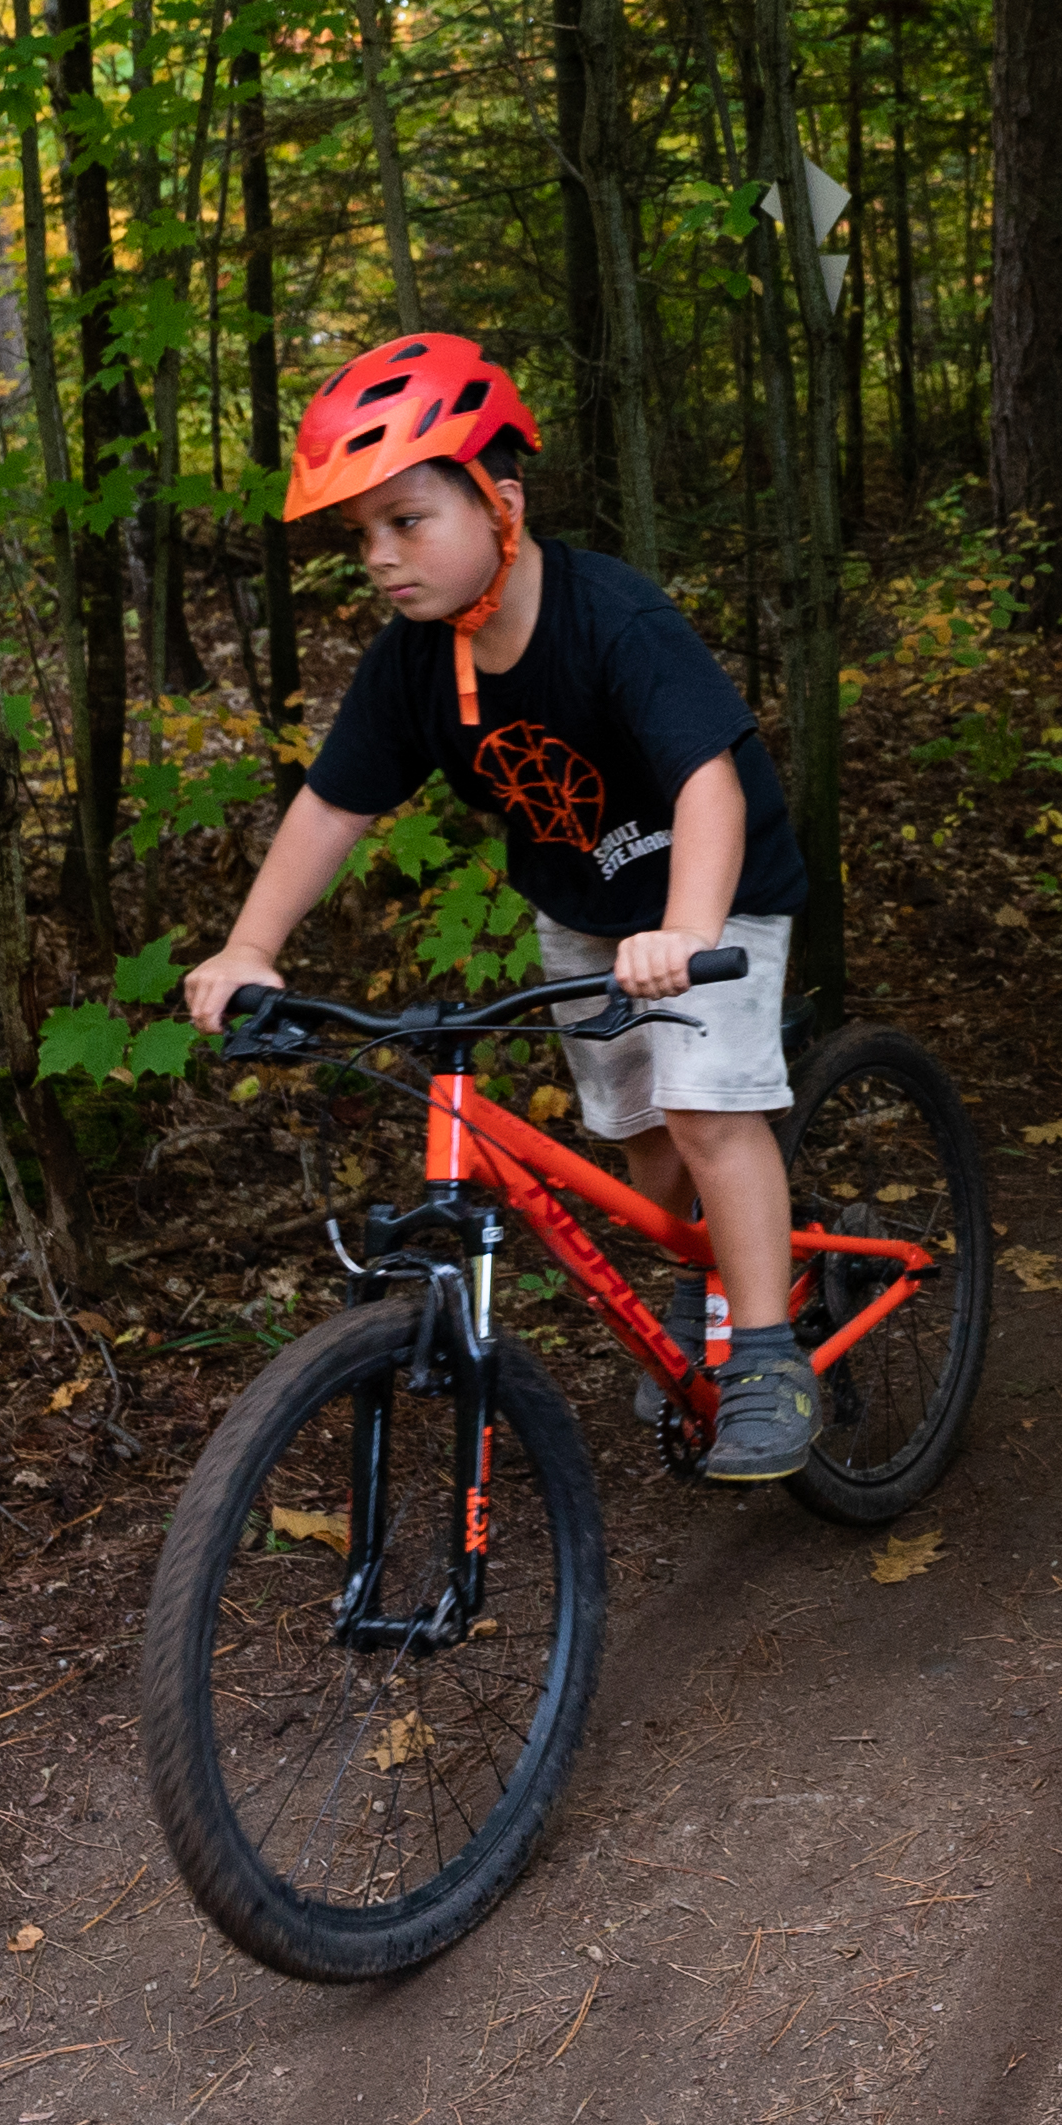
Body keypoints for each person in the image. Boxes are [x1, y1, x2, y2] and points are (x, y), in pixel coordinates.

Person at [179, 335, 823, 1480]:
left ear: (501, 502)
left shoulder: (611, 618)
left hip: (710, 891)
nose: (379, 556)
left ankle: (768, 1350)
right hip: (583, 903)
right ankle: (695, 1276)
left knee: (706, 1107)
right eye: (361, 534)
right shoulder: (414, 662)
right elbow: (333, 807)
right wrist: (249, 945)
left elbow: (705, 782)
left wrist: (688, 929)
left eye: (407, 520)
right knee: (629, 1126)